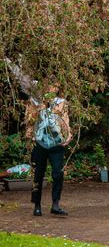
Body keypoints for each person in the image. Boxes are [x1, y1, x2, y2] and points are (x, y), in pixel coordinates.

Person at [25, 83, 72, 216]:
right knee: (38, 174)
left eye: (57, 86)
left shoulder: (62, 103)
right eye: (51, 85)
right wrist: (30, 136)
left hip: (56, 142)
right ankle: (37, 205)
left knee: (58, 173)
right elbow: (29, 119)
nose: (54, 88)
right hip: (39, 141)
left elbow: (65, 120)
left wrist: (67, 135)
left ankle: (55, 204)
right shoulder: (34, 101)